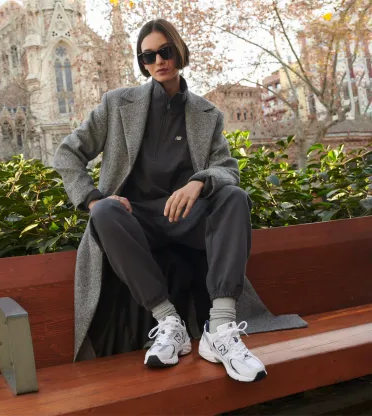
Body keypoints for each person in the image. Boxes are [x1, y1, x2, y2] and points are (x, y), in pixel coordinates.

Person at [54, 19, 267, 383]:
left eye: (165, 52)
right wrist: (91, 198)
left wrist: (198, 182)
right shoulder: (117, 104)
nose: (158, 61)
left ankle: (220, 329)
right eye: (148, 56)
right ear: (142, 62)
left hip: (188, 219)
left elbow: (227, 169)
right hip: (137, 221)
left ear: (179, 52)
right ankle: (169, 322)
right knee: (103, 211)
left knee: (233, 197)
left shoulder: (207, 114)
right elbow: (67, 153)